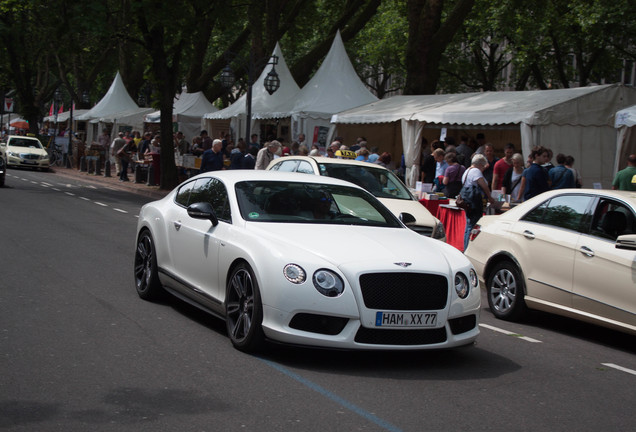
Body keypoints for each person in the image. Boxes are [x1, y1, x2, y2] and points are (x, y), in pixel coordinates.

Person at [462, 154, 495, 250]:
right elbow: (484, 186)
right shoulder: (476, 171)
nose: (483, 169)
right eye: (483, 166)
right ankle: (468, 248)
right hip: (475, 202)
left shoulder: (467, 171)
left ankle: (466, 246)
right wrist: (490, 197)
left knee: (468, 225)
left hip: (467, 201)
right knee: (472, 225)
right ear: (480, 164)